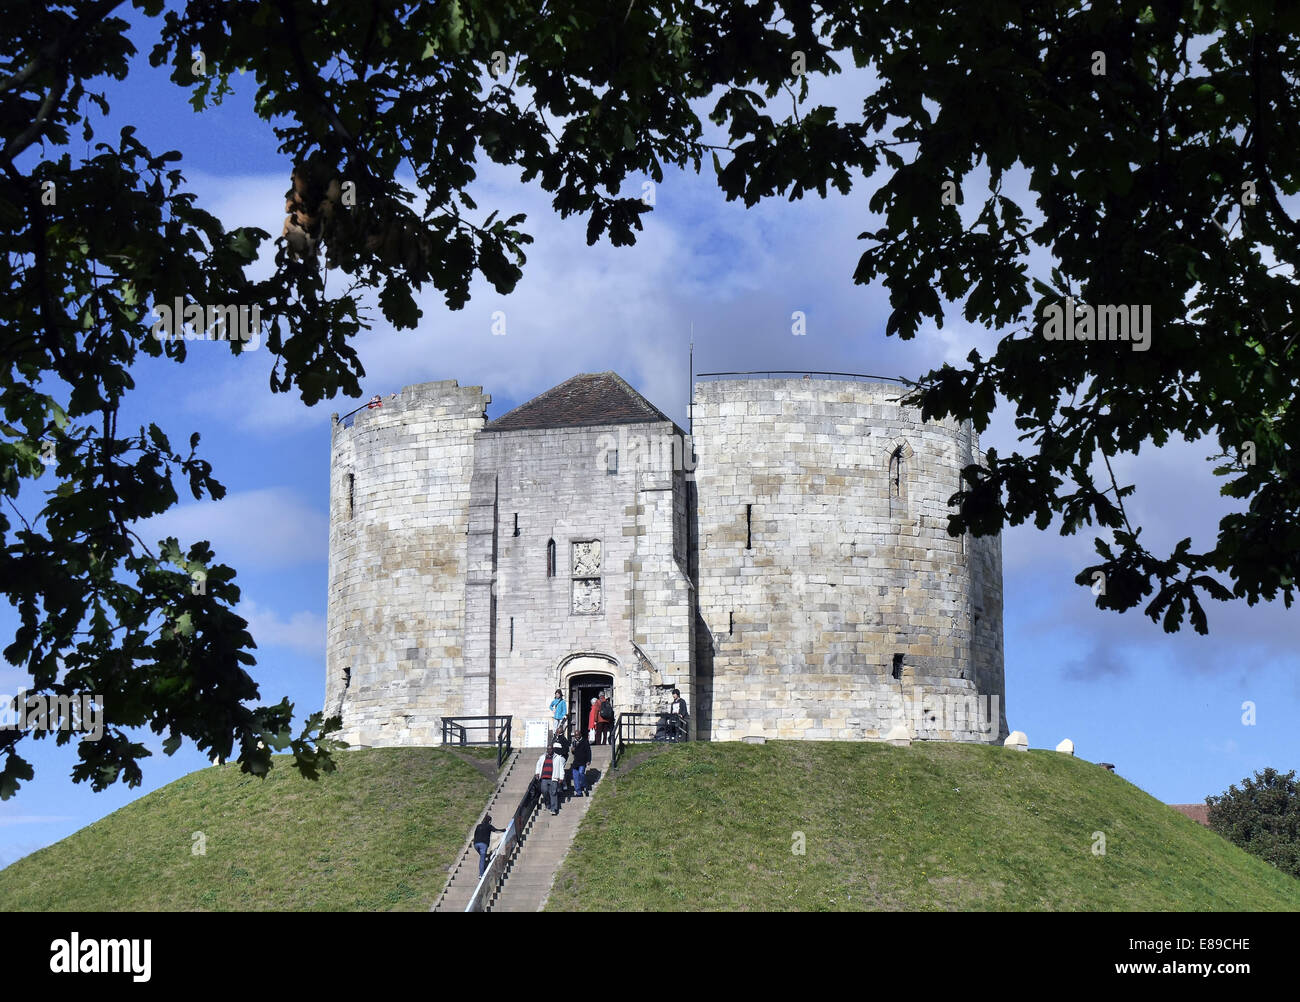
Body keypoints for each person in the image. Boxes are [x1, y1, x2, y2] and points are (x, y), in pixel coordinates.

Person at [535, 743, 566, 815]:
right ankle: (548, 803)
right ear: (547, 749)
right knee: (544, 791)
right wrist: (537, 773)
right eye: (548, 749)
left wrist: (561, 777)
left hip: (553, 778)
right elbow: (538, 765)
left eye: (551, 749)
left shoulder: (558, 758)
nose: (550, 750)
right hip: (544, 778)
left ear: (553, 749)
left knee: (553, 793)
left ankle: (554, 809)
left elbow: (561, 768)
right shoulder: (542, 757)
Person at [571, 731, 592, 796]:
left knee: (581, 773)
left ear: (580, 735)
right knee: (575, 777)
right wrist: (572, 751)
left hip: (582, 761)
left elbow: (588, 751)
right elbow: (574, 752)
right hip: (576, 762)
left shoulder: (585, 741)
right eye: (575, 735)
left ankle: (584, 786)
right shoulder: (574, 742)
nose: (576, 736)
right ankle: (578, 792)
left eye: (578, 735)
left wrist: (588, 760)